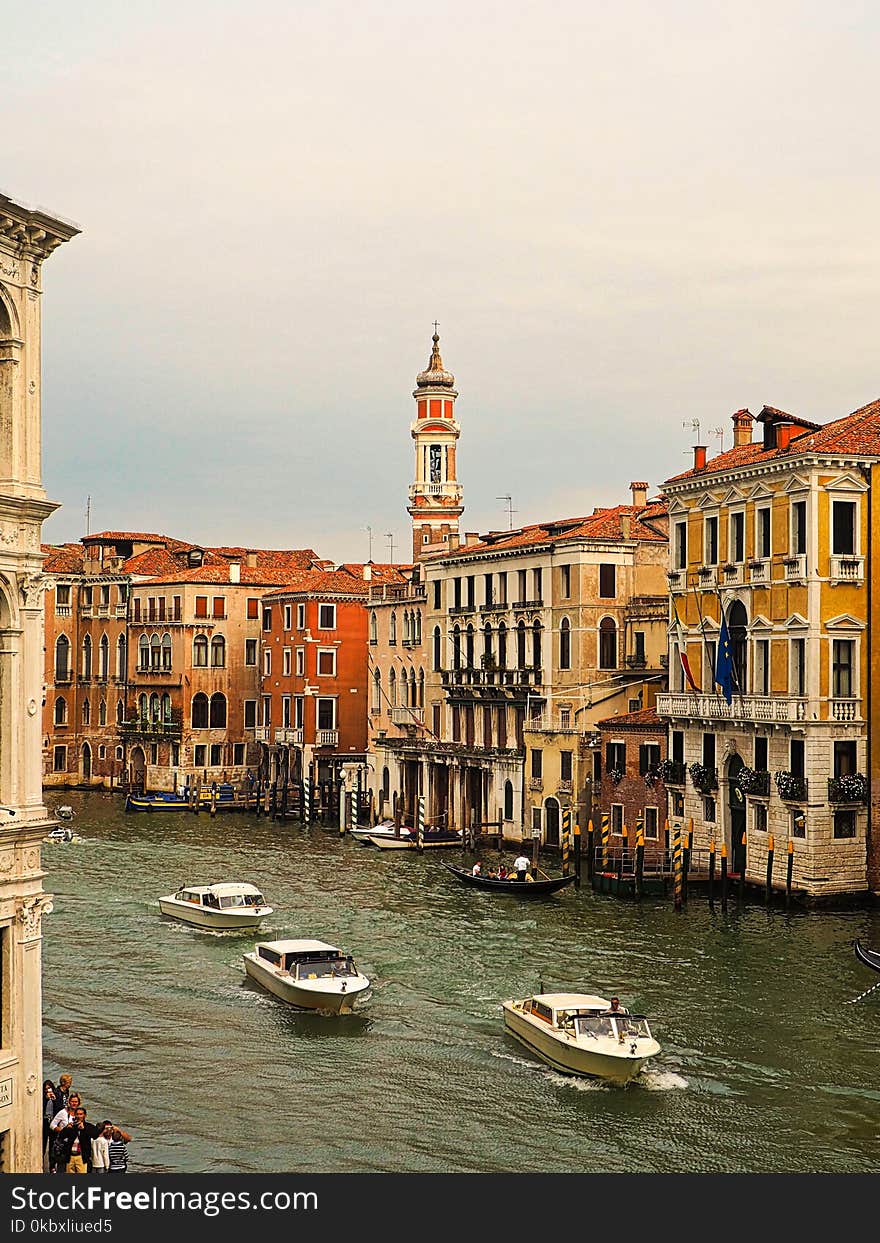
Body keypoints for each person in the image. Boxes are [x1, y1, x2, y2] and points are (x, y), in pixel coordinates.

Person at [60, 1106, 101, 1175]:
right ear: (75, 1115)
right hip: (70, 1156)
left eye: (81, 1114)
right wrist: (67, 1128)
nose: (79, 1116)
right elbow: (61, 1136)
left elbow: (95, 1135)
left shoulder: (88, 1126)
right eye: (77, 1114)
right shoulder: (71, 1126)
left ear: (85, 1115)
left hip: (81, 1157)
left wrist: (84, 1129)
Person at [42, 1081, 57, 1163]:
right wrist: (46, 1099)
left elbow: (58, 1108)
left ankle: (52, 1164)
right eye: (46, 1089)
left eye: (49, 1088)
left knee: (53, 1143)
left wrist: (54, 1100)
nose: (48, 1090)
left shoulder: (55, 1096)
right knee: (43, 1142)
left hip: (53, 1121)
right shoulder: (43, 1097)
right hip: (45, 1121)